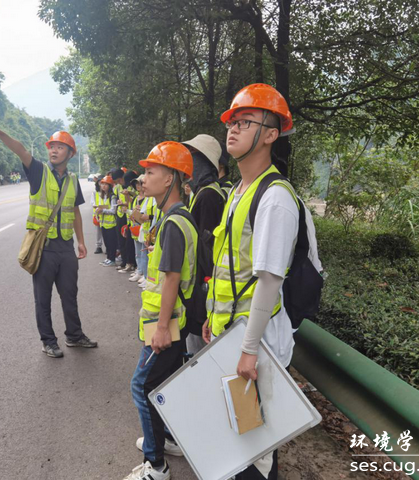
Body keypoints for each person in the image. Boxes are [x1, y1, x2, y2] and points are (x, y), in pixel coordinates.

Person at [203, 83, 299, 479]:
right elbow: (229, 269)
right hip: (233, 335)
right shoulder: (238, 191)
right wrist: (213, 318)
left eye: (245, 122)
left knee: (254, 453)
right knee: (237, 439)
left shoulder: (274, 197)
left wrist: (247, 350)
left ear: (271, 134)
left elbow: (269, 281)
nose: (233, 129)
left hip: (256, 347)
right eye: (232, 122)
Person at [0, 119, 98, 358]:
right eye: (52, 146)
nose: (54, 150)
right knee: (43, 299)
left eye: (60, 147)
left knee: (70, 295)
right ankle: (48, 341)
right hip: (44, 247)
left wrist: (81, 241)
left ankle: (74, 336)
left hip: (66, 247)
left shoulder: (73, 180)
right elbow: (21, 150)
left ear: (70, 153)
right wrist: (0, 133)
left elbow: (74, 211)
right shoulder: (38, 171)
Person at [124, 142, 198, 480]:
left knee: (142, 386)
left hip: (167, 324)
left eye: (151, 171)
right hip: (173, 321)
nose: (144, 178)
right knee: (164, 383)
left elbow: (171, 279)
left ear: (170, 179)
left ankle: (156, 466)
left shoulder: (173, 224)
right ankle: (167, 438)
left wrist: (164, 327)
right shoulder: (176, 218)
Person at [181, 134, 227, 354]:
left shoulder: (209, 195)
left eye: (193, 156)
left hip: (203, 287)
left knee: (199, 351)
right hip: (198, 284)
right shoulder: (201, 192)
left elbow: (207, 250)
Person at [96, 176, 119, 267]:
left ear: (110, 186)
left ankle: (112, 259)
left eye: (106, 184)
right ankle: (108, 258)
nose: (104, 186)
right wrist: (98, 211)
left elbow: (113, 210)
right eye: (102, 184)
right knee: (106, 243)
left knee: (111, 243)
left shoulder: (112, 197)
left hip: (111, 224)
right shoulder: (103, 196)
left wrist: (103, 211)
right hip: (103, 224)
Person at [92, 175, 104, 254]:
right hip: (97, 214)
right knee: (98, 232)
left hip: (106, 214)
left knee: (106, 232)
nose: (101, 185)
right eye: (100, 183)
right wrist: (97, 207)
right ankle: (98, 246)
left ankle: (108, 247)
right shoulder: (95, 192)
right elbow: (93, 202)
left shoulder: (108, 193)